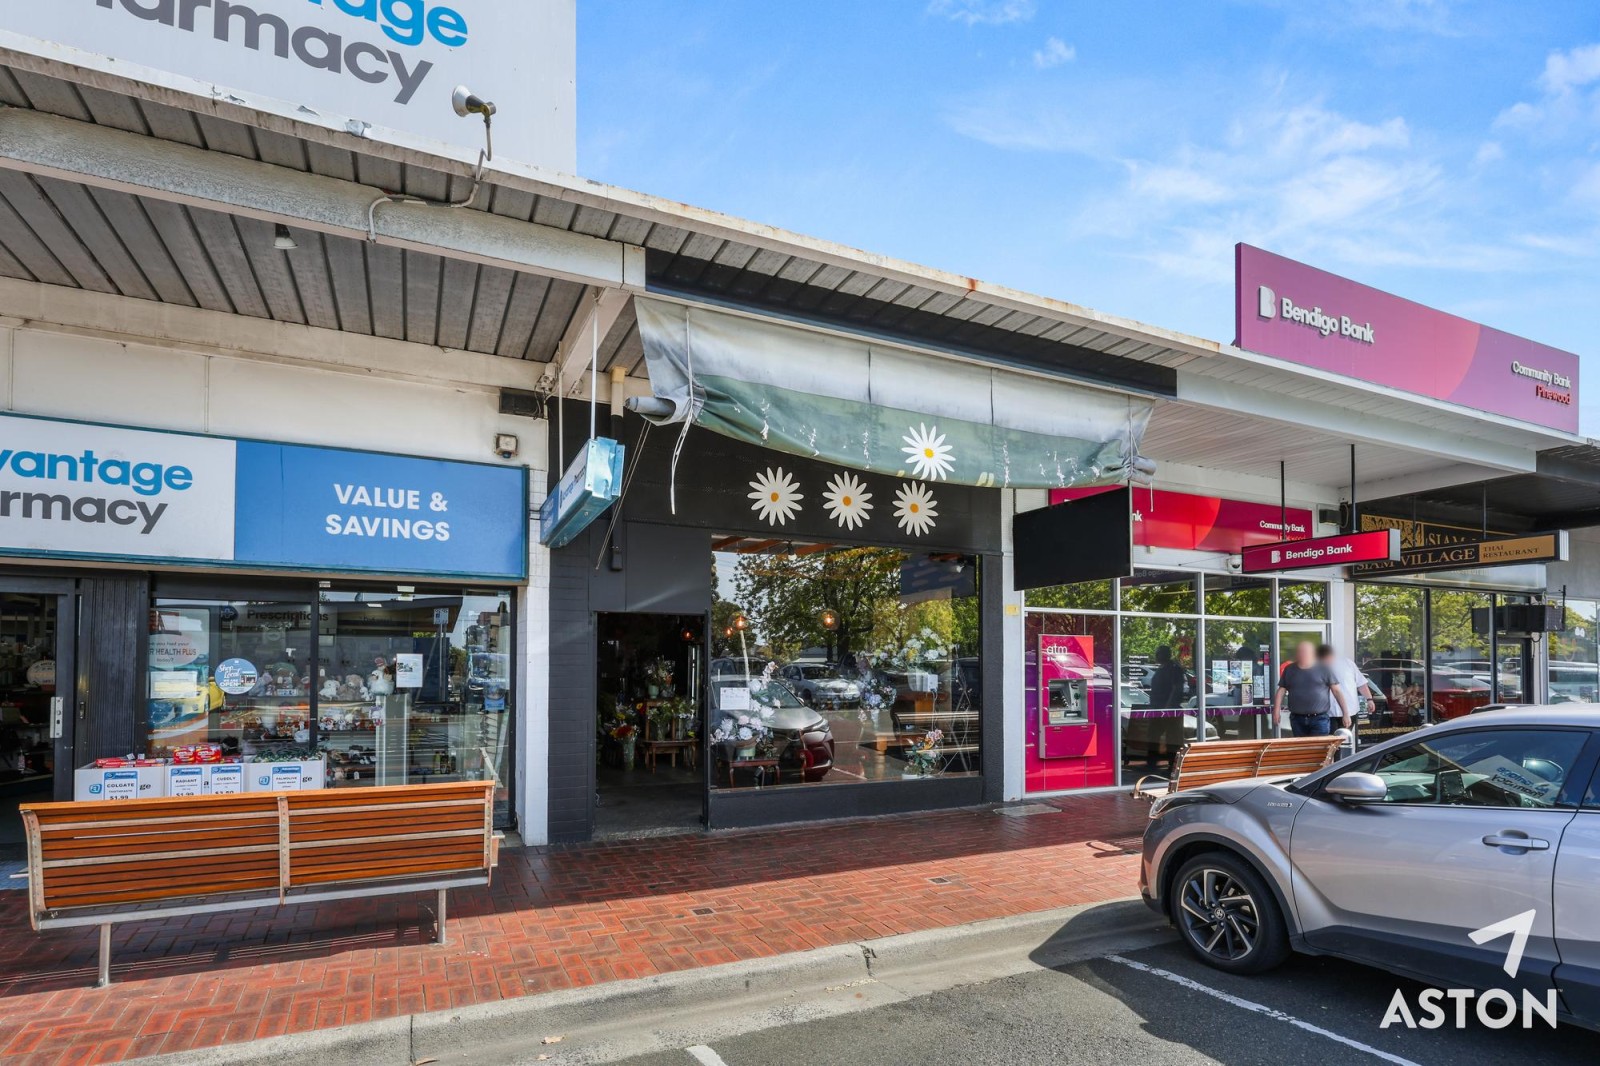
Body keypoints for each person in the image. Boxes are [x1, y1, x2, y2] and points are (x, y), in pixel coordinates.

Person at [1273, 641, 1351, 737]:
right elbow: (1281, 691)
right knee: (1302, 745)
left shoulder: (1324, 668)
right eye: (1301, 651)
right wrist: (1276, 711)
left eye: (1306, 651)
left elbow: (1337, 691)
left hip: (1319, 719)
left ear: (1313, 653)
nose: (1303, 654)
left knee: (1319, 746)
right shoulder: (1290, 669)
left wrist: (1345, 713)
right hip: (1297, 719)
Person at [1318, 643, 1372, 731]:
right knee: (1330, 739)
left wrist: (1369, 699)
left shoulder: (1347, 663)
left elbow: (1361, 683)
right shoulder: (1317, 666)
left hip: (1350, 710)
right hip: (1327, 713)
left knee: (1345, 737)